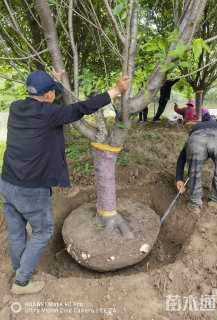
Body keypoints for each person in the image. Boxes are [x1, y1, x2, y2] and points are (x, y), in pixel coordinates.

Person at [0, 70, 129, 295]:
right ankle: (21, 282)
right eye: (53, 92)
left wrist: (55, 82)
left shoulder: (16, 108)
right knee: (43, 231)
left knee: (17, 231)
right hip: (31, 188)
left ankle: (20, 268)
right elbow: (82, 108)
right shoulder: (50, 114)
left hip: (7, 182)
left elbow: (48, 97)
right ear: (49, 96)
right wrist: (116, 91)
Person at [176, 110, 217, 213]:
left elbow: (182, 157)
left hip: (197, 140)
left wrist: (179, 178)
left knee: (194, 171)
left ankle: (194, 204)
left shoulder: (196, 129)